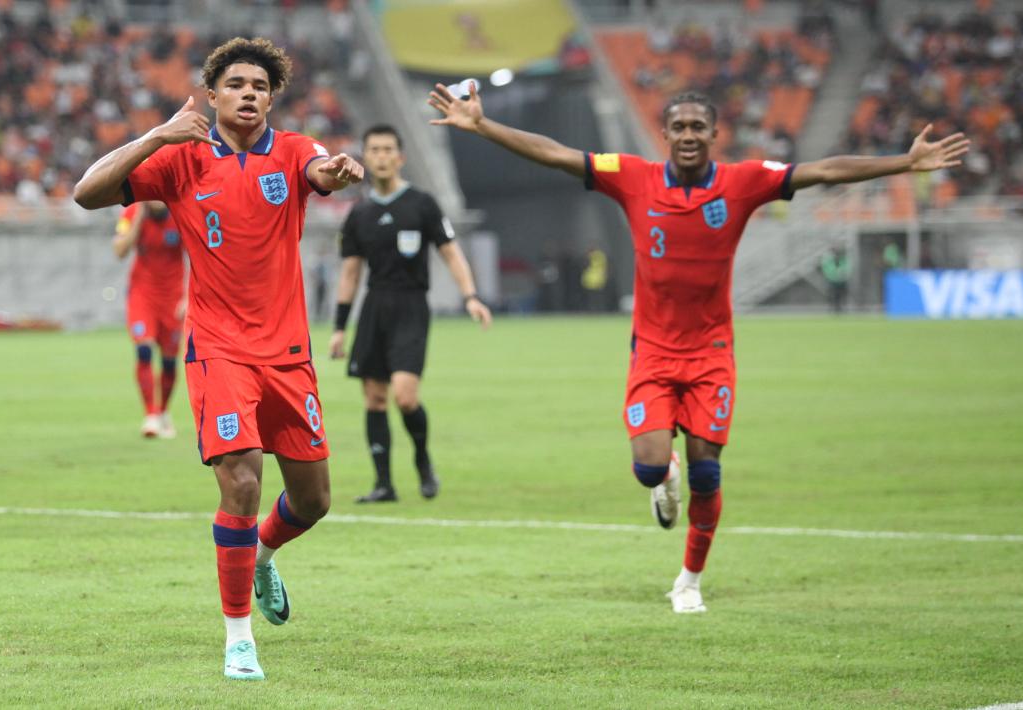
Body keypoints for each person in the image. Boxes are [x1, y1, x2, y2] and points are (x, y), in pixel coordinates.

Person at [429, 84, 968, 614]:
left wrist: (903, 163)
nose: (688, 135)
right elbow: (557, 154)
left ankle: (688, 581)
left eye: (698, 128)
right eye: (679, 127)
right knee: (648, 465)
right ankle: (663, 479)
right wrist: (482, 125)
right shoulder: (634, 178)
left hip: (712, 354)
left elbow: (823, 171)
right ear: (664, 134)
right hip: (654, 352)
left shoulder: (744, 182)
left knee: (707, 473)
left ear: (714, 134)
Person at [73, 37, 364, 680]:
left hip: (288, 355)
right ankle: (239, 638)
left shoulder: (293, 152)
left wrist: (335, 173)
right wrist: (159, 134)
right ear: (211, 95)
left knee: (313, 500)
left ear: (272, 97)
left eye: (260, 86)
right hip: (219, 350)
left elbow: (320, 170)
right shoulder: (182, 158)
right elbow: (88, 193)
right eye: (235, 84)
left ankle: (261, 553)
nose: (249, 94)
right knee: (242, 479)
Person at [329, 124, 492, 503]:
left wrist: (470, 296)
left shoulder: (422, 204)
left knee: (404, 396)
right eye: (375, 150)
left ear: (400, 157)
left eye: (389, 149)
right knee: (374, 398)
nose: (382, 156)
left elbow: (450, 252)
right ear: (365, 158)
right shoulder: (359, 215)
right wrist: (339, 327)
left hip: (411, 306)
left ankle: (422, 460)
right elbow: (350, 273)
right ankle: (383, 484)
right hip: (374, 307)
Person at [112, 200, 185, 438]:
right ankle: (151, 414)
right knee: (143, 349)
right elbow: (120, 251)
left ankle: (163, 412)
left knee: (168, 362)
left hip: (173, 298)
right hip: (142, 294)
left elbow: (201, 255)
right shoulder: (132, 212)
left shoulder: (181, 211)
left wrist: (189, 297)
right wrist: (139, 218)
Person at [820, 245, 851, 313]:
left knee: (842, 295)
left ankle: (840, 308)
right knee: (832, 295)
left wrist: (842, 273)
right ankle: (832, 308)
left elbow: (847, 268)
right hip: (832, 280)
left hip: (841, 280)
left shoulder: (842, 259)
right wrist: (835, 274)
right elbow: (827, 270)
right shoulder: (829, 260)